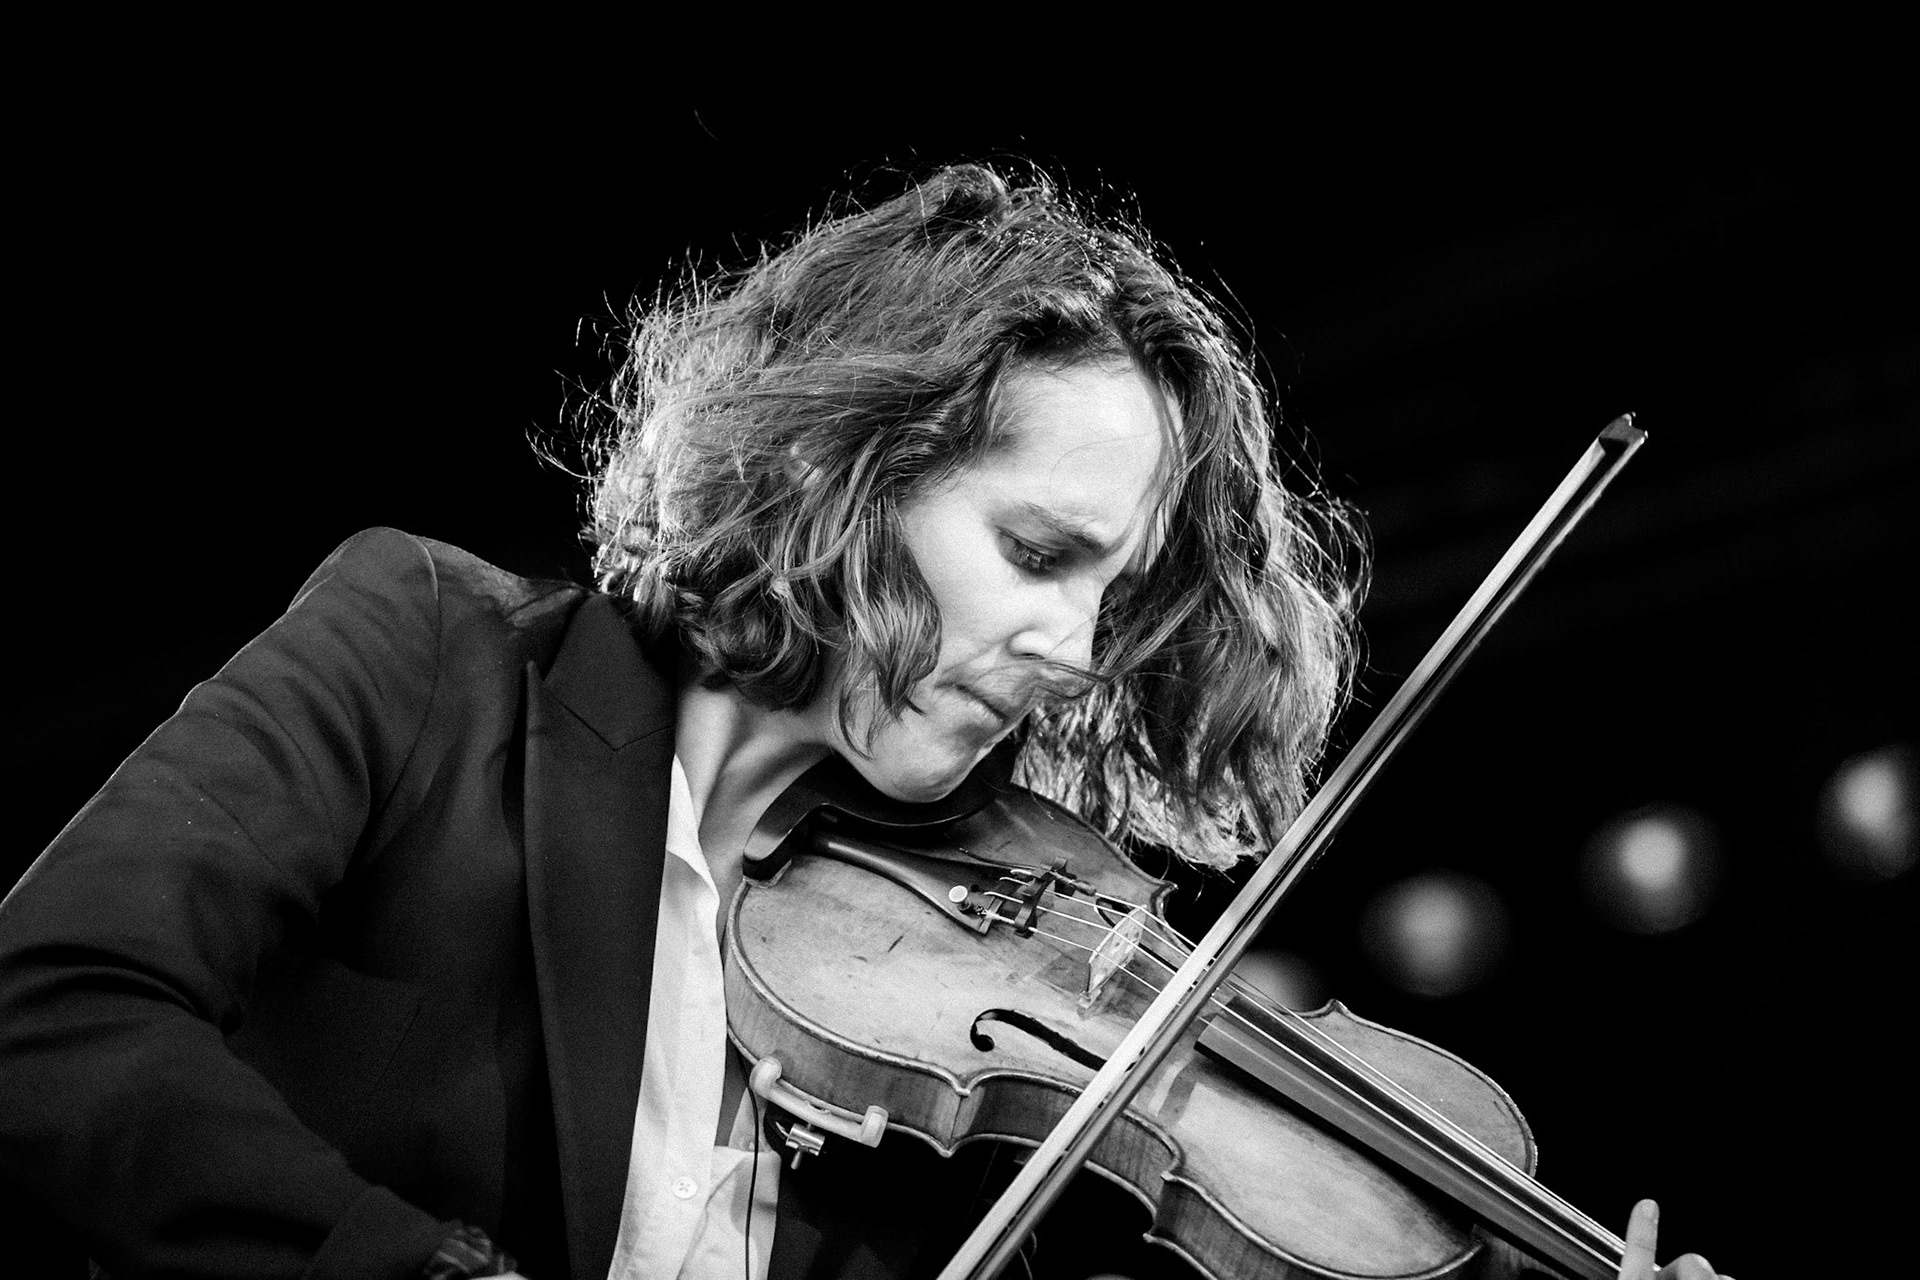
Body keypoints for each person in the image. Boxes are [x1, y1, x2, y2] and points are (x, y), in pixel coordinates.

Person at [0, 164, 1726, 1280]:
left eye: (1114, 599)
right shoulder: (429, 658)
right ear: (839, 469)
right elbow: (54, 1008)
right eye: (1038, 555)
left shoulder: (956, 1065)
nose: (1073, 647)